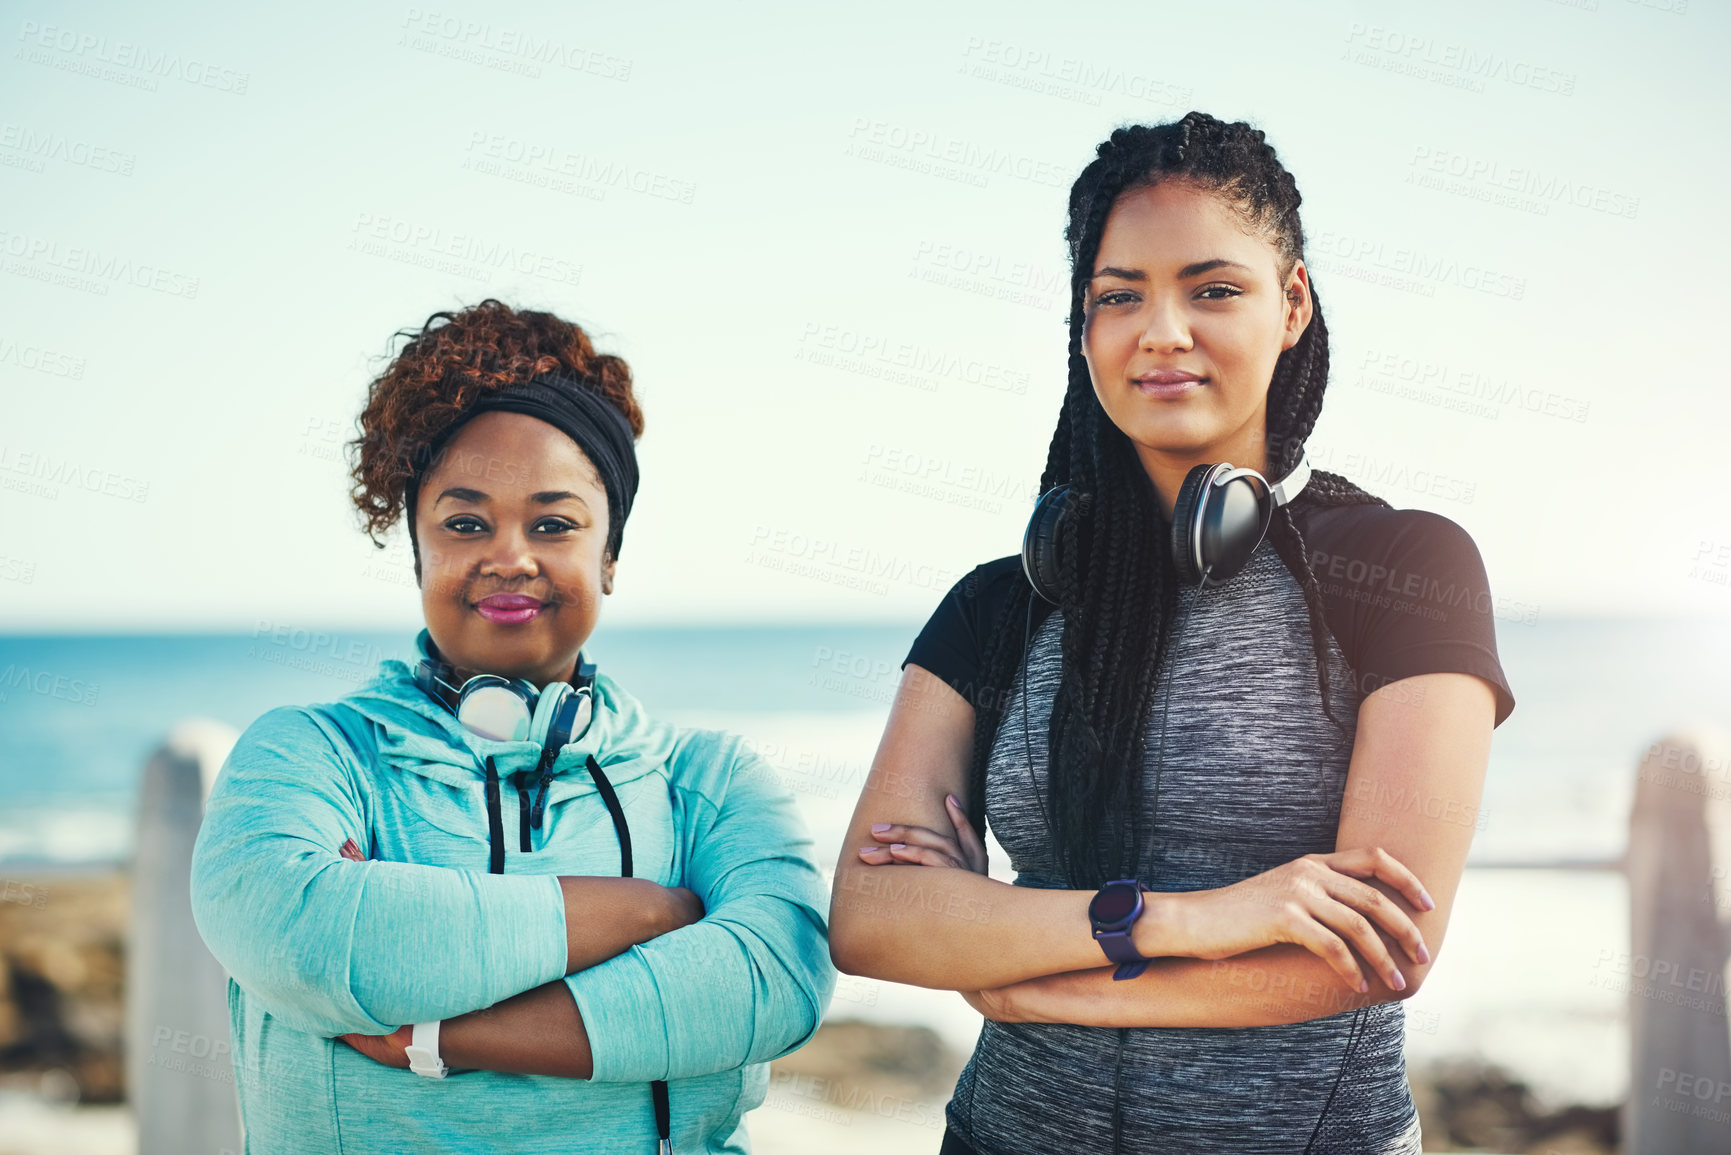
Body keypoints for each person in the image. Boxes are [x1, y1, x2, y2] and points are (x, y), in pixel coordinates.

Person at [829, 112, 1516, 1154]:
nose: (1161, 332)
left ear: (1292, 304)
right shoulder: (1001, 604)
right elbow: (873, 919)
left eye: (1213, 288)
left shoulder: (1406, 570)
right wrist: (1195, 917)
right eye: (1118, 297)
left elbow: (1379, 946)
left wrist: (1024, 976)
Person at [190, 299, 836, 1155]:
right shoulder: (312, 754)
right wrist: (650, 916)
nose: (509, 556)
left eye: (553, 523)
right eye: (464, 523)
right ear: (418, 550)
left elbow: (773, 980)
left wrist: (434, 1034)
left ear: (610, 554)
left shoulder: (709, 779)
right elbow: (304, 935)